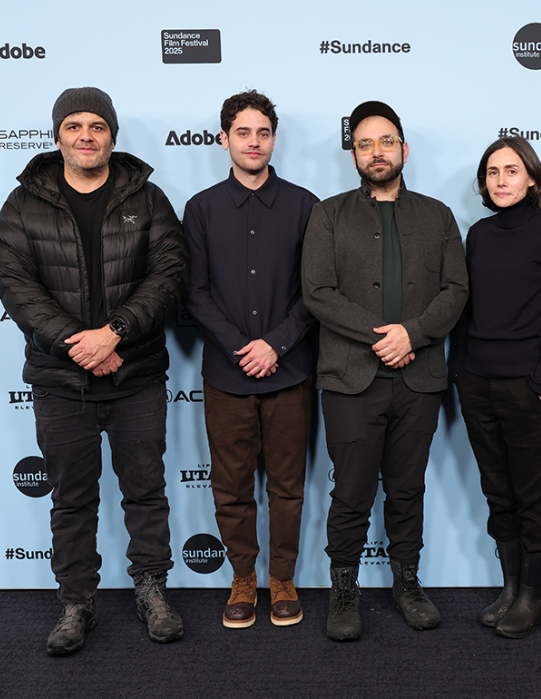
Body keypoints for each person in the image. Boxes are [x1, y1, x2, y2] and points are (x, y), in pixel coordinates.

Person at [0, 87, 188, 655]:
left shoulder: (148, 199)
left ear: (112, 135)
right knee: (72, 499)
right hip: (61, 381)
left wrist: (115, 333)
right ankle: (77, 603)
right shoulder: (21, 205)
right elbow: (15, 285)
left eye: (97, 126)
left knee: (145, 493)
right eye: (74, 125)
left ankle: (151, 590)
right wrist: (77, 344)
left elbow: (169, 273)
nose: (85, 135)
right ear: (57, 136)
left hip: (137, 375)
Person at [302, 101, 468, 641]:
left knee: (406, 488)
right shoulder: (328, 215)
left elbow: (456, 291)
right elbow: (318, 293)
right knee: (350, 490)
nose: (377, 152)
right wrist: (384, 337)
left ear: (404, 149)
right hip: (351, 379)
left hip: (419, 381)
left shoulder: (438, 215)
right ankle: (344, 588)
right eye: (366, 143)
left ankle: (407, 581)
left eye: (387, 141)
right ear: (353, 154)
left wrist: (412, 335)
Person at [183, 90, 319, 629]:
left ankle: (281, 577)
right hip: (226, 373)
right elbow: (194, 293)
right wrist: (243, 348)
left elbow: (316, 291)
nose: (254, 141)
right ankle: (243, 576)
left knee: (288, 485)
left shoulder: (306, 205)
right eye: (243, 132)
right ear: (224, 139)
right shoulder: (200, 208)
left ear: (274, 139)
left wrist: (275, 345)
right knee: (232, 486)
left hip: (289, 373)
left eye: (263, 132)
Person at [452, 137, 541, 638]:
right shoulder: (478, 234)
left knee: (531, 493)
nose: (501, 180)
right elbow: (465, 309)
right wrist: (460, 370)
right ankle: (509, 588)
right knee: (496, 491)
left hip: (528, 384)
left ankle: (533, 595)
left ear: (531, 178)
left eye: (511, 170)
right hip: (477, 382)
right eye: (493, 172)